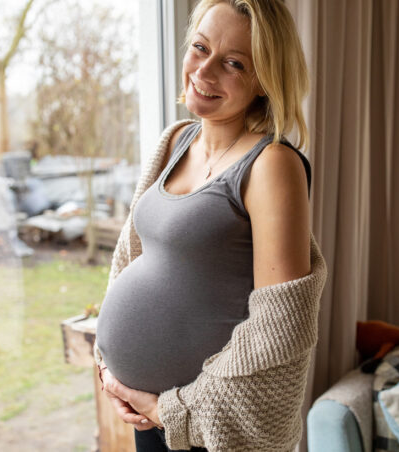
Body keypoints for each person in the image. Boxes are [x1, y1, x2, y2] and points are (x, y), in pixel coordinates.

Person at [93, 1, 327, 450]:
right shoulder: (177, 140)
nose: (204, 70)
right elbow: (132, 256)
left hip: (207, 430)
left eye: (234, 63)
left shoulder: (272, 164)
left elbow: (282, 326)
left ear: (265, 79)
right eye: (200, 48)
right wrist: (110, 367)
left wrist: (171, 412)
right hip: (147, 417)